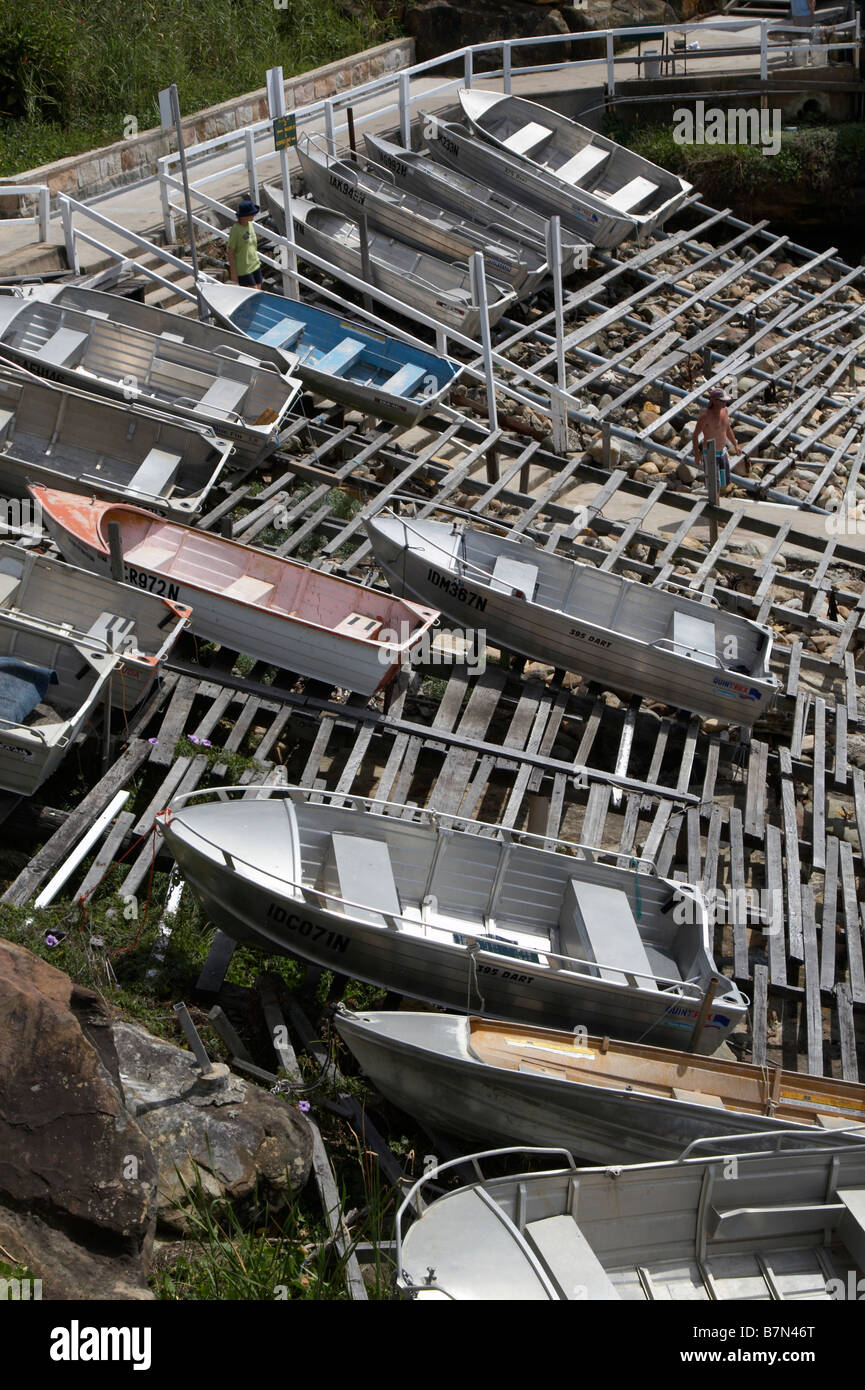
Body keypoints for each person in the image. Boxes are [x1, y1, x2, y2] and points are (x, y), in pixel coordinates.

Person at [693, 387, 740, 489]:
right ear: (714, 401)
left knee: (723, 482)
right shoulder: (705, 416)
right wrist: (697, 454)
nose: (725, 403)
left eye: (725, 401)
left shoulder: (725, 411)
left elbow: (727, 429)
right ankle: (715, 503)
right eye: (722, 401)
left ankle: (716, 502)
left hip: (722, 452)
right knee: (714, 484)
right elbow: (695, 435)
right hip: (710, 453)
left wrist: (735, 445)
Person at [227, 199, 262, 286]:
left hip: (255, 264)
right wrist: (233, 272)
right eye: (252, 213)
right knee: (253, 295)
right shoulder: (236, 229)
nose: (254, 215)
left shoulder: (250, 224)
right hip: (244, 269)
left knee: (259, 293)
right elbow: (230, 251)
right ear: (245, 215)